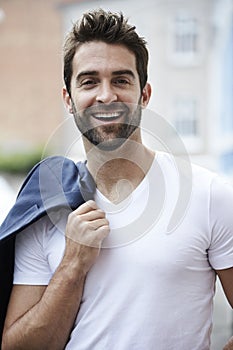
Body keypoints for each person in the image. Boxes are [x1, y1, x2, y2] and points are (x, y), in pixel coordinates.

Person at [1, 8, 233, 350]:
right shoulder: (45, 206)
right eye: (89, 81)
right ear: (69, 99)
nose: (106, 96)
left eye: (121, 80)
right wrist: (72, 265)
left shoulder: (208, 194)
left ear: (145, 95)